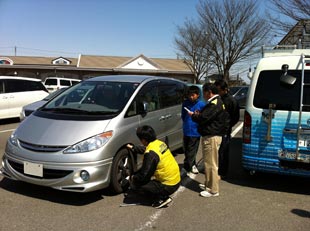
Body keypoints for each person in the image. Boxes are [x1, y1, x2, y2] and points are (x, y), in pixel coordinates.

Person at [189, 83, 230, 198]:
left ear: (209, 92)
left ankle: (213, 190)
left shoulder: (214, 103)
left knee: (211, 163)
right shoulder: (217, 102)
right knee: (209, 162)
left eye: (204, 92)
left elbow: (203, 118)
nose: (204, 95)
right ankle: (209, 184)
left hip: (212, 136)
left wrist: (194, 115)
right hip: (214, 135)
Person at [125, 125, 181, 208]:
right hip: (176, 180)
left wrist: (133, 178)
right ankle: (160, 192)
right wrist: (133, 148)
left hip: (168, 186)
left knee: (137, 183)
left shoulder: (151, 154)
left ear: (143, 140)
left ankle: (161, 198)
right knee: (141, 178)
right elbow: (146, 150)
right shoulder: (160, 143)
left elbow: (144, 176)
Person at [214, 80, 240, 179]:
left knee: (223, 151)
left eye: (218, 90)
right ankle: (217, 170)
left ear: (225, 90)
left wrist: (228, 125)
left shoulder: (231, 100)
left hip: (225, 130)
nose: (217, 92)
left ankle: (222, 172)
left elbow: (235, 117)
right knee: (216, 151)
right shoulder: (217, 98)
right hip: (216, 129)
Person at [181, 85, 205, 174]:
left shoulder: (201, 105)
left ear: (198, 95)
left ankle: (187, 167)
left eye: (193, 95)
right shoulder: (185, 103)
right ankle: (193, 164)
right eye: (189, 95)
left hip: (195, 131)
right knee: (186, 149)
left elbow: (203, 118)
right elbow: (183, 115)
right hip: (186, 129)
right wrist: (186, 124)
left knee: (192, 149)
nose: (191, 97)